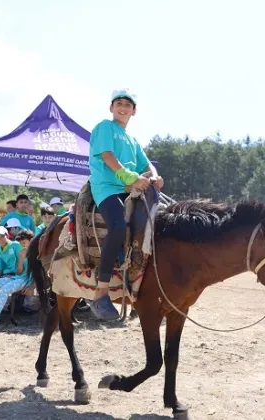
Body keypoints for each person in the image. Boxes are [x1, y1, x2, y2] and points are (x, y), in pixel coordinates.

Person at [87, 88, 164, 320]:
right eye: (119, 103)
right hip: (107, 188)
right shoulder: (104, 127)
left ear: (134, 111)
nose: (123, 107)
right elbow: (108, 157)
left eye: (127, 105)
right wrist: (132, 178)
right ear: (111, 107)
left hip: (128, 190)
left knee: (156, 224)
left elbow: (147, 163)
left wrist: (155, 175)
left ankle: (142, 283)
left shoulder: (132, 139)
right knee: (118, 227)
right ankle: (101, 292)